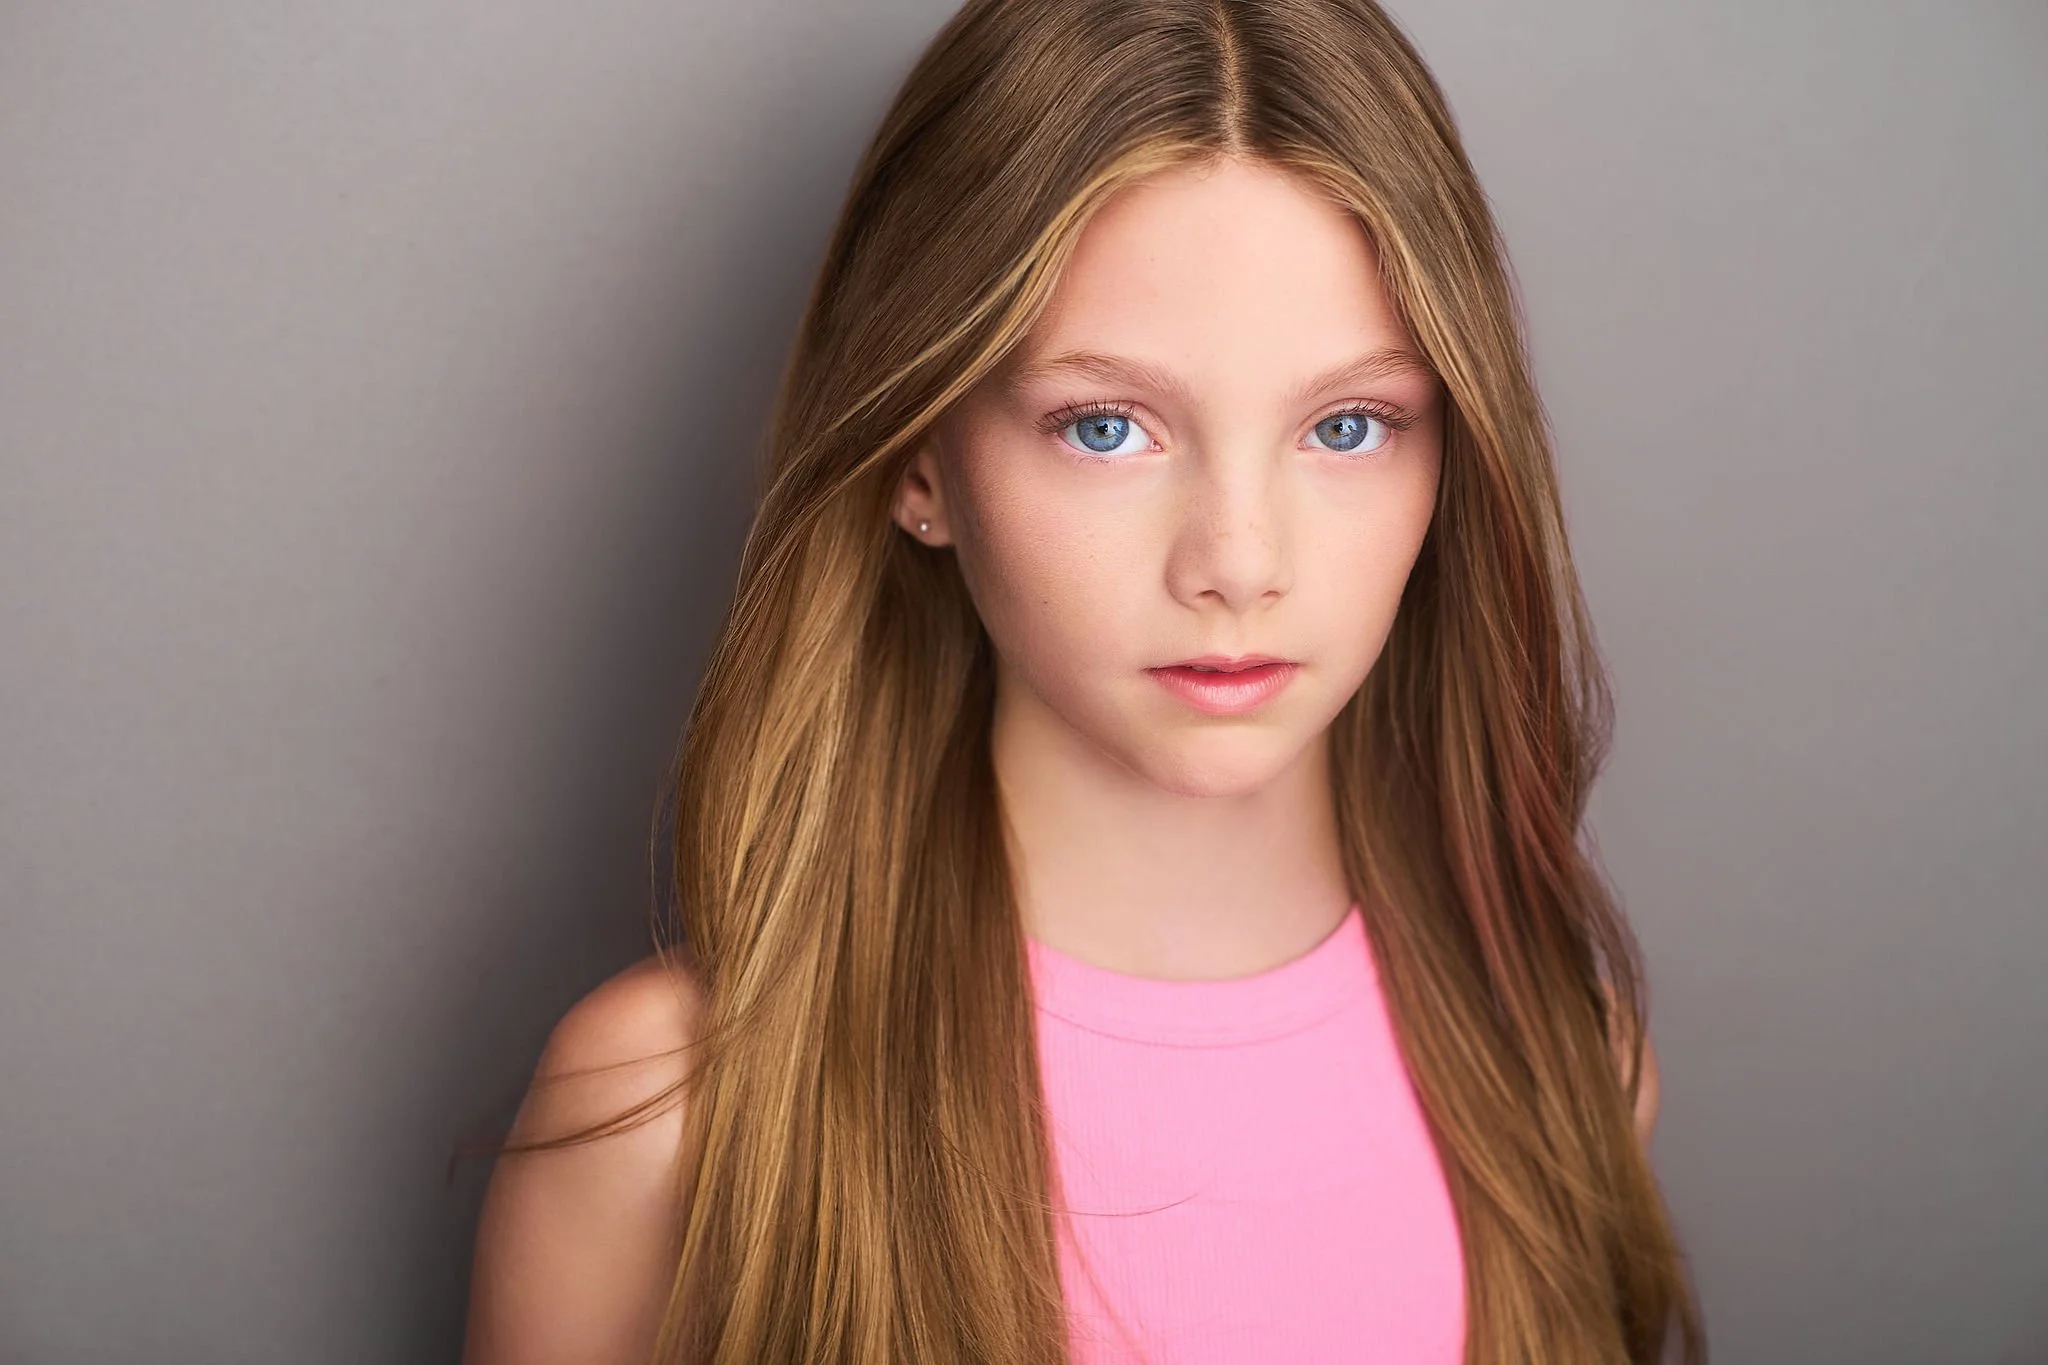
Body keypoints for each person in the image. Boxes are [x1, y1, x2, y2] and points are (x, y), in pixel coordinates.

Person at [460, 1, 1706, 1361]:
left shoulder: (1563, 1059)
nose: (1238, 561)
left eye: (1348, 427)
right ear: (920, 459)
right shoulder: (671, 1117)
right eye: (1107, 427)